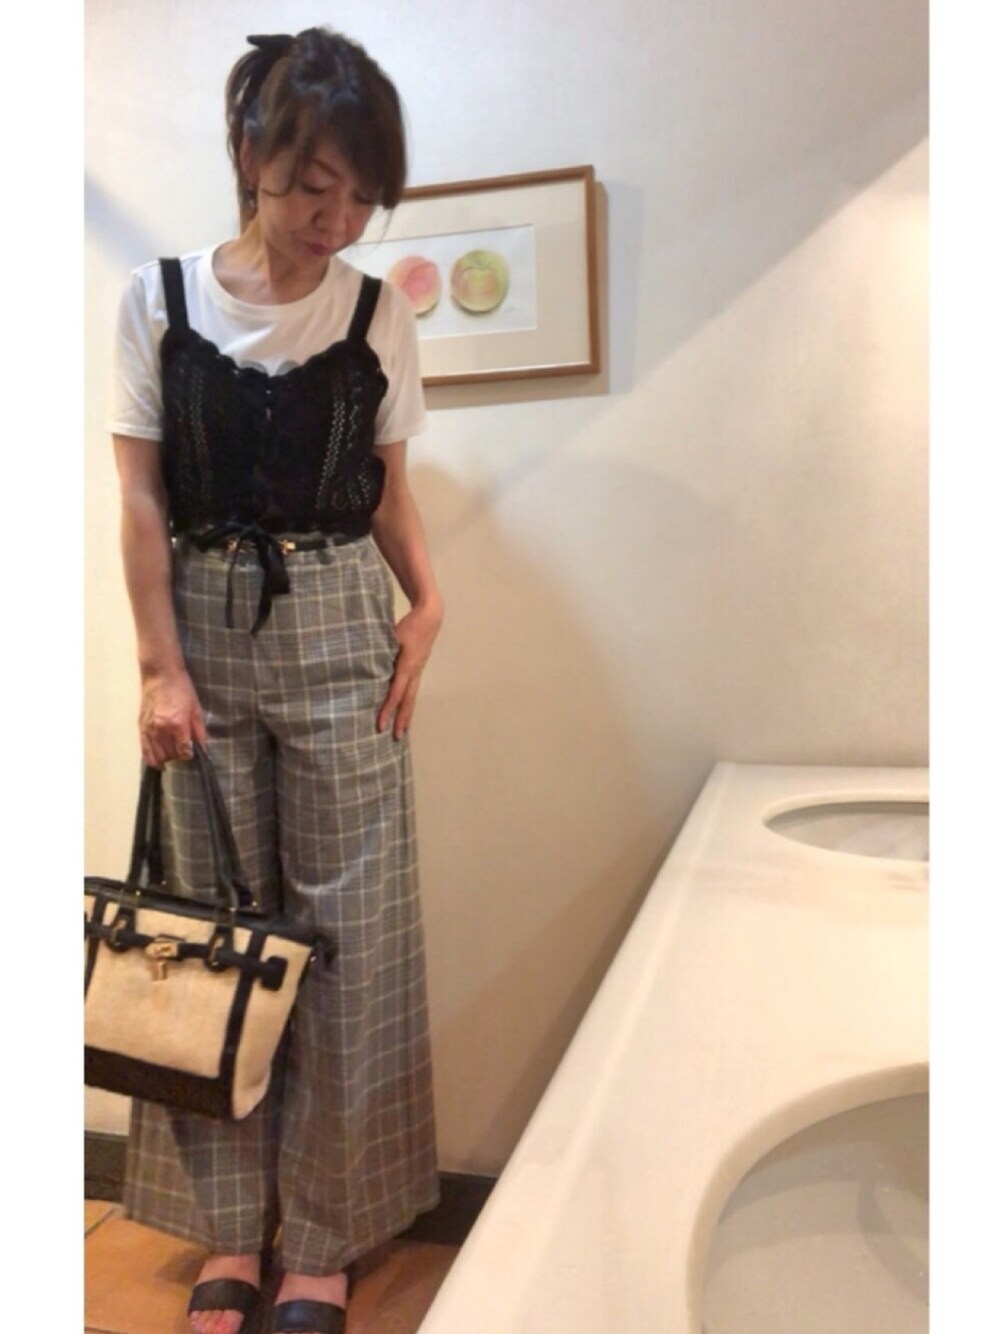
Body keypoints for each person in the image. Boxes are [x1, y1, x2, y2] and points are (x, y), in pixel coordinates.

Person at [106, 27, 442, 1334]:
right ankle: (229, 1233)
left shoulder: (375, 312)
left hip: (341, 623)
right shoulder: (158, 300)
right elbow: (141, 497)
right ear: (253, 154)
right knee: (214, 933)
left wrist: (431, 602)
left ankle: (323, 1239)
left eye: (359, 197)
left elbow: (389, 490)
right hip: (199, 625)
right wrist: (158, 667)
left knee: (346, 941)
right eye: (313, 186)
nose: (335, 219)